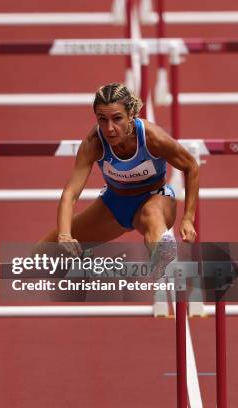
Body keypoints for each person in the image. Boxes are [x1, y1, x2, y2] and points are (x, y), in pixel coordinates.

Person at [40, 83, 199, 277]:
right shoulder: (94, 142)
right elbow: (70, 194)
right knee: (41, 253)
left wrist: (188, 218)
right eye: (102, 120)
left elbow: (191, 167)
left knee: (151, 214)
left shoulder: (152, 138)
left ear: (131, 115)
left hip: (156, 199)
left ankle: (164, 261)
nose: (110, 129)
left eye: (117, 119)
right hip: (113, 205)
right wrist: (65, 235)